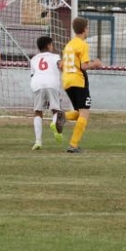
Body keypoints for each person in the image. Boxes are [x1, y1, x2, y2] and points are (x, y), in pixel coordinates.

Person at [61, 16, 104, 153]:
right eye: (88, 27)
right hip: (78, 81)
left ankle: (63, 117)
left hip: (67, 81)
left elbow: (63, 65)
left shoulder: (69, 45)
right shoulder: (83, 44)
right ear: (85, 29)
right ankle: (73, 145)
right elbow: (84, 66)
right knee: (85, 112)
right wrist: (95, 63)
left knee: (80, 112)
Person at [29, 35, 66, 150]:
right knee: (56, 110)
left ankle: (38, 141)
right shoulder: (55, 56)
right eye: (52, 44)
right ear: (49, 45)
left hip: (37, 84)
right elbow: (61, 64)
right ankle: (54, 124)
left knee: (38, 111)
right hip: (51, 83)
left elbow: (32, 74)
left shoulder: (33, 59)